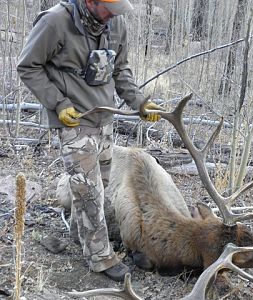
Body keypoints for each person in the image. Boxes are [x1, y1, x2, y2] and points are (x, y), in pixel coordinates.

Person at [17, 0, 161, 282]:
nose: (113, 15)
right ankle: (101, 258)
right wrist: (58, 103)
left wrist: (140, 102)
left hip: (103, 120)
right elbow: (28, 66)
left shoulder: (115, 21)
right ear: (89, 2)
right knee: (90, 193)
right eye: (109, 8)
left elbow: (121, 70)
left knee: (100, 186)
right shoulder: (55, 22)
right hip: (74, 122)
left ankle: (78, 234)